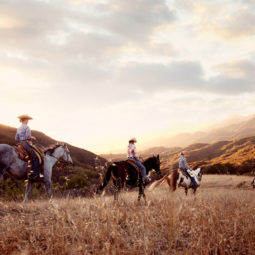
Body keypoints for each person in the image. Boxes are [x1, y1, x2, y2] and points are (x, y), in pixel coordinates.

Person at [15, 114, 40, 180]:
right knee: (36, 158)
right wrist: (32, 137)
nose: (28, 121)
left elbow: (16, 138)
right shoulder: (27, 127)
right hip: (25, 144)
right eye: (27, 120)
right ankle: (34, 174)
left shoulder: (19, 128)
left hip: (20, 144)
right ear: (25, 120)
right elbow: (28, 137)